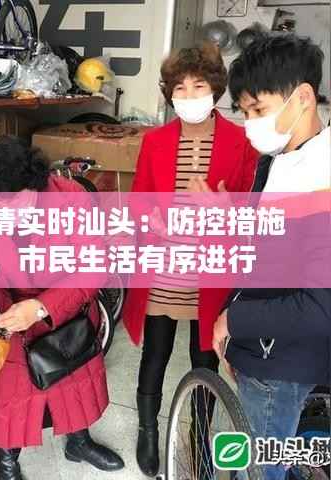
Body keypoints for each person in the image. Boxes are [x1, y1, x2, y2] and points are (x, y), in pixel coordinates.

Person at [121, 42, 259, 477]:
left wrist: (224, 211)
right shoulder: (155, 141)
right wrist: (151, 222)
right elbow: (140, 200)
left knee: (205, 362)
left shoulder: (242, 141)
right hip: (163, 269)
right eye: (179, 88)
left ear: (215, 88)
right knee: (155, 355)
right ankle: (147, 430)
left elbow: (252, 207)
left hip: (210, 271)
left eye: (198, 85)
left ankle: (199, 436)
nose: (189, 95)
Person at [0, 135, 125, 480]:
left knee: (74, 387)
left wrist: (40, 307)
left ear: (33, 184)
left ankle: (78, 442)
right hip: (5, 315)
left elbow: (95, 266)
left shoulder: (70, 197)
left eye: (9, 203)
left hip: (64, 311)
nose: (0, 213)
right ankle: (7, 465)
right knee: (8, 399)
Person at [212, 34, 331, 480]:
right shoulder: (280, 160)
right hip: (261, 345)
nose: (250, 124)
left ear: (303, 97)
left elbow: (320, 308)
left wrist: (234, 321)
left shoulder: (321, 177)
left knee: (258, 469)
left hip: (281, 360)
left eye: (258, 110)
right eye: (243, 112)